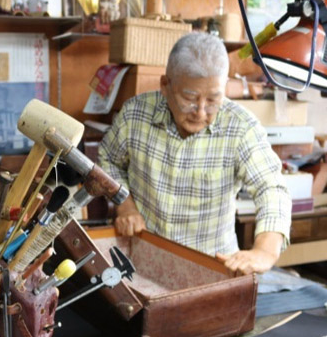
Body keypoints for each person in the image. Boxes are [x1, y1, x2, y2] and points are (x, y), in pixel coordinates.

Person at [98, 32, 291, 275]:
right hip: (143, 263)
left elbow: (271, 188)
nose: (201, 112)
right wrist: (125, 206)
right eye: (189, 98)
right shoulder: (135, 115)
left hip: (212, 269)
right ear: (165, 86)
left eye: (213, 100)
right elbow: (108, 160)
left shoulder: (241, 128)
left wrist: (265, 251)